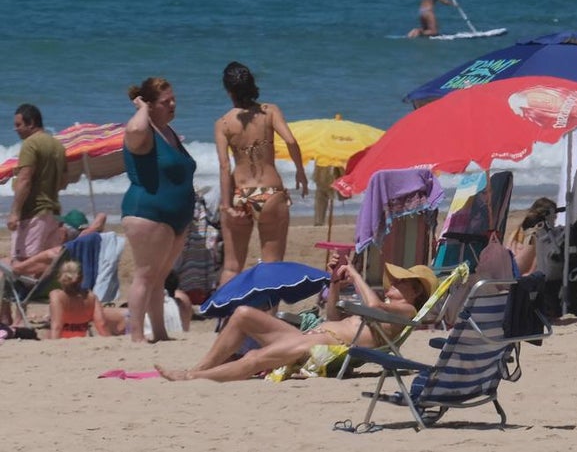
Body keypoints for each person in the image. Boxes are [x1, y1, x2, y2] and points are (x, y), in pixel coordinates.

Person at [156, 255, 437, 382]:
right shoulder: (381, 307)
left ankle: (193, 377)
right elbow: (332, 315)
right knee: (242, 314)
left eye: (401, 281)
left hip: (323, 349)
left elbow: (373, 303)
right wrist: (335, 283)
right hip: (311, 335)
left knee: (254, 360)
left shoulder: (407, 312)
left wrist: (353, 273)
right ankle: (199, 367)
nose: (394, 282)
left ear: (414, 291)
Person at [216, 62, 308, 286]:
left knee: (231, 266)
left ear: (228, 91)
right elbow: (290, 141)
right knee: (272, 265)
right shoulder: (270, 112)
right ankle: (267, 318)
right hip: (270, 192)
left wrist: (227, 206)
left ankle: (226, 318)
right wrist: (300, 172)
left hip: (240, 193)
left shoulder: (223, 123)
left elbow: (225, 167)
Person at [122, 76, 197, 343]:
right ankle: (136, 335)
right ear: (151, 105)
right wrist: (141, 108)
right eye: (166, 102)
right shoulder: (144, 131)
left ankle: (160, 332)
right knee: (145, 275)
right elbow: (133, 132)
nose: (173, 104)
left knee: (160, 277)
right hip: (147, 212)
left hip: (176, 216)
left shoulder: (169, 132)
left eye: (174, 99)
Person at [7, 104, 68, 262]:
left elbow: (25, 180)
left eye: (19, 125)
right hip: (53, 213)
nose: (16, 129)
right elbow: (63, 182)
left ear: (31, 123)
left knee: (23, 263)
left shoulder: (30, 144)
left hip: (34, 213)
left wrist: (14, 213)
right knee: (44, 264)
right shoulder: (58, 146)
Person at [48, 261, 111, 339]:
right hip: (79, 339)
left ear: (60, 277)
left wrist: (53, 346)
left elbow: (57, 326)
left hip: (61, 342)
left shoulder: (56, 295)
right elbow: (102, 324)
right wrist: (109, 341)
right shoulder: (91, 297)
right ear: (81, 278)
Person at [508, 197, 557, 274]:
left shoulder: (518, 231)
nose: (555, 218)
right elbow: (522, 265)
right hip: (521, 278)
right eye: (554, 216)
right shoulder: (535, 235)